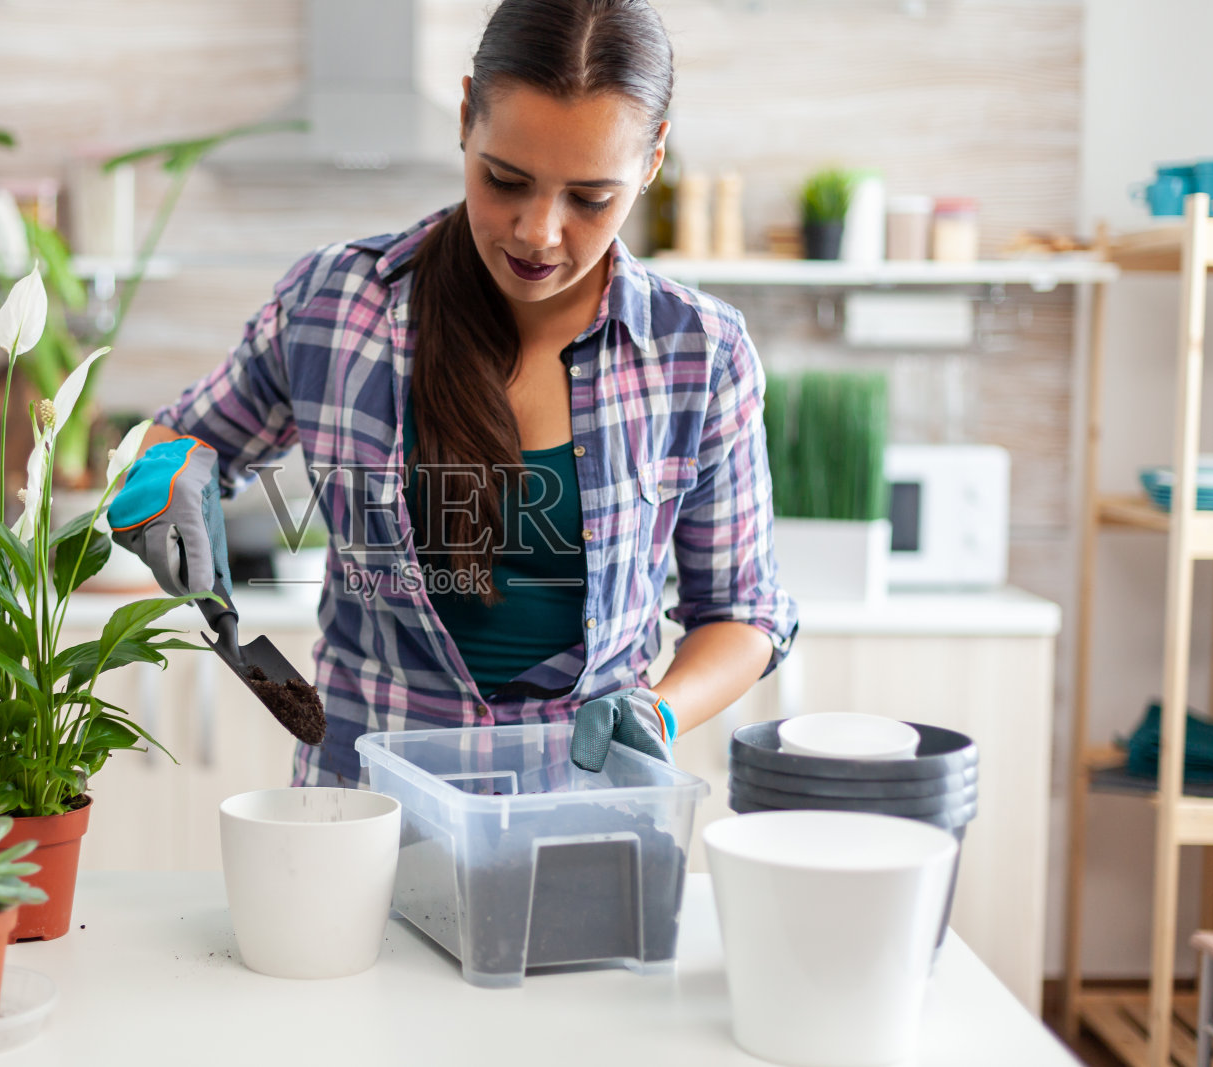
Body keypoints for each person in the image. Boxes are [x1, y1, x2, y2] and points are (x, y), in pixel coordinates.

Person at [108, 0, 797, 786]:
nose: (538, 231)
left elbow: (743, 612)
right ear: (466, 117)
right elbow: (180, 442)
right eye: (506, 179)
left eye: (589, 198)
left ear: (652, 160)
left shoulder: (699, 353)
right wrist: (162, 473)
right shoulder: (334, 308)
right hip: (364, 807)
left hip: (584, 810)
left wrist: (661, 710)